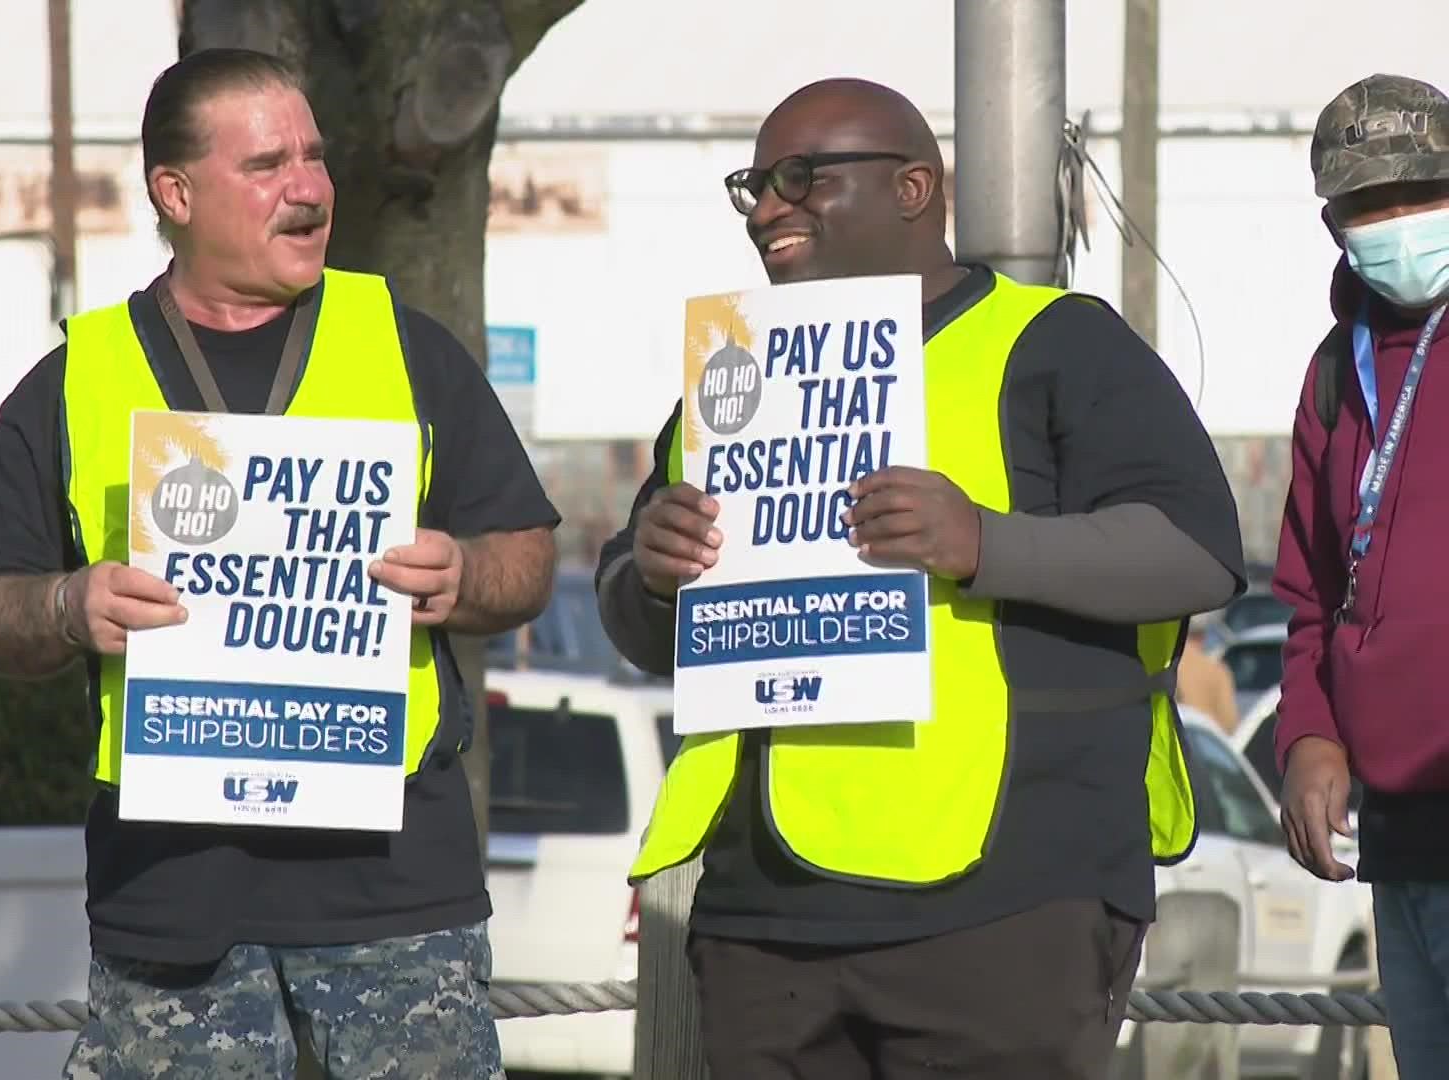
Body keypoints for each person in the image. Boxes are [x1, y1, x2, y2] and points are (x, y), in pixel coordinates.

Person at [595, 78, 1244, 1079]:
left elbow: (1195, 551)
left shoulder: (1054, 343)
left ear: (912, 188)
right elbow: (637, 626)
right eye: (755, 185)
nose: (770, 207)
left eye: (802, 178)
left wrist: (985, 541)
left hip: (1005, 901)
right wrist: (650, 576)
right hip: (765, 914)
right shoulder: (732, 381)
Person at [0, 48, 560, 1080]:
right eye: (268, 164)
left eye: (315, 158)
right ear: (174, 194)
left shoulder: (408, 349)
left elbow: (528, 555)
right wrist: (63, 605)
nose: (310, 188)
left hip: (394, 892)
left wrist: (463, 574)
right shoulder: (74, 381)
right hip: (173, 904)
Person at [1273, 72, 1449, 1076]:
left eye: (1419, 194)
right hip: (1398, 844)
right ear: (1333, 221)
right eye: (1367, 206)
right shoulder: (1336, 370)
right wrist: (1306, 733)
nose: (1394, 223)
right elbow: (1306, 595)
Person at [1176, 621, 1240, 735]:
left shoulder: (1167, 668)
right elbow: (1229, 721)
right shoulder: (1217, 670)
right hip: (1207, 743)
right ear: (1202, 636)